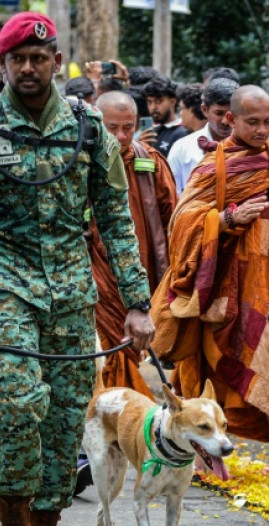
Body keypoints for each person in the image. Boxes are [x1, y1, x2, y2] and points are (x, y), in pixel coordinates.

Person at [0, 12, 154, 526]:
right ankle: (12, 520)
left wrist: (138, 304)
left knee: (66, 421)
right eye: (18, 59)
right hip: (3, 286)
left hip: (72, 294)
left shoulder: (88, 127)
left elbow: (116, 221)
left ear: (55, 61)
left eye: (38, 58)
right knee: (16, 403)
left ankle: (41, 525)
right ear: (4, 63)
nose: (28, 67)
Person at [150, 85, 269, 491]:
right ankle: (206, 456)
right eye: (252, 122)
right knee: (214, 372)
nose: (262, 130)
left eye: (267, 122)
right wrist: (226, 219)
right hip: (225, 289)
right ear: (231, 121)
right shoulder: (214, 166)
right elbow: (182, 221)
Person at [89, 90, 178, 399]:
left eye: (129, 127)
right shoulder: (79, 161)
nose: (121, 136)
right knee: (105, 353)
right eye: (112, 128)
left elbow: (173, 220)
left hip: (140, 276)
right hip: (95, 279)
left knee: (126, 351)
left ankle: (120, 427)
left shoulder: (148, 161)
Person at [167, 79, 269, 194]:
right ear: (204, 110)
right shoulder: (182, 148)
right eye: (219, 113)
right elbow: (178, 205)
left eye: (230, 114)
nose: (225, 121)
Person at [142, 75, 187, 156]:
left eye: (159, 101)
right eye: (149, 102)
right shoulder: (152, 131)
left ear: (172, 102)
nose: (153, 107)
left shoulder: (182, 132)